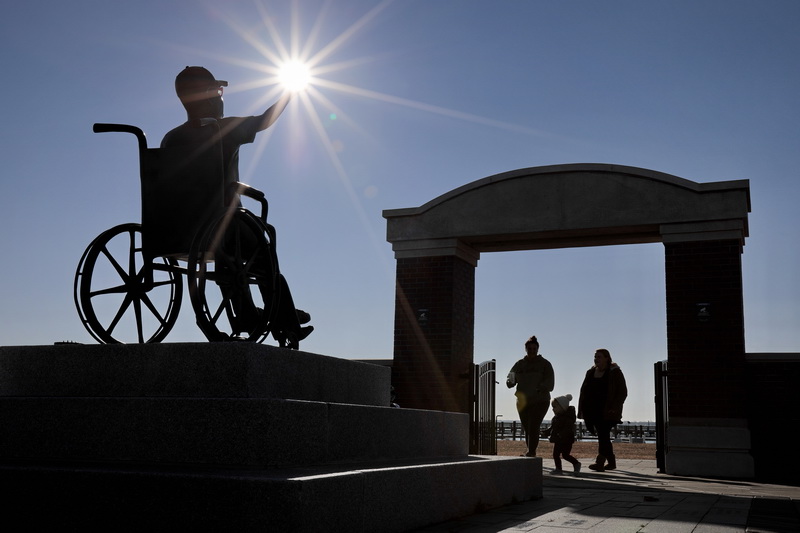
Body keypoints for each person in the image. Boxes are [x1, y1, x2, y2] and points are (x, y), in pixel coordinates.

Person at [161, 66, 312, 345]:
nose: (221, 98)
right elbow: (265, 120)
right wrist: (290, 91)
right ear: (206, 96)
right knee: (262, 250)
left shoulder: (170, 139)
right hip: (223, 224)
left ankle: (248, 312)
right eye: (218, 91)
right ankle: (284, 319)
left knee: (227, 255)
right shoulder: (224, 129)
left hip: (177, 230)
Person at [578, 348, 628, 472]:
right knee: (602, 435)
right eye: (595, 356)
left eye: (599, 356)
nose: (596, 359)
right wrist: (582, 409)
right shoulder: (590, 372)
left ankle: (600, 462)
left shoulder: (614, 372)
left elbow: (622, 392)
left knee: (603, 435)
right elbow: (583, 391)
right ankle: (611, 462)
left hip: (608, 410)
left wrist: (615, 407)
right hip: (592, 410)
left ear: (607, 358)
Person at [506, 336, 555, 457]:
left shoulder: (545, 364)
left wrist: (540, 388)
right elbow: (510, 380)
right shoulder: (519, 364)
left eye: (534, 348)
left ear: (538, 349)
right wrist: (511, 381)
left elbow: (550, 384)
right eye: (529, 348)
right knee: (527, 427)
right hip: (522, 402)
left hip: (540, 401)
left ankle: (531, 452)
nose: (532, 350)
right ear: (526, 349)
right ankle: (530, 451)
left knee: (533, 426)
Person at [542, 394, 581, 475]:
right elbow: (552, 428)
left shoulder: (568, 418)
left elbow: (567, 429)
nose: (553, 409)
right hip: (558, 439)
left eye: (555, 407)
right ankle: (558, 468)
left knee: (565, 455)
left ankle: (576, 463)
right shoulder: (556, 418)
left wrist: (561, 434)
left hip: (566, 440)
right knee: (556, 454)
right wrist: (547, 432)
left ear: (562, 407)